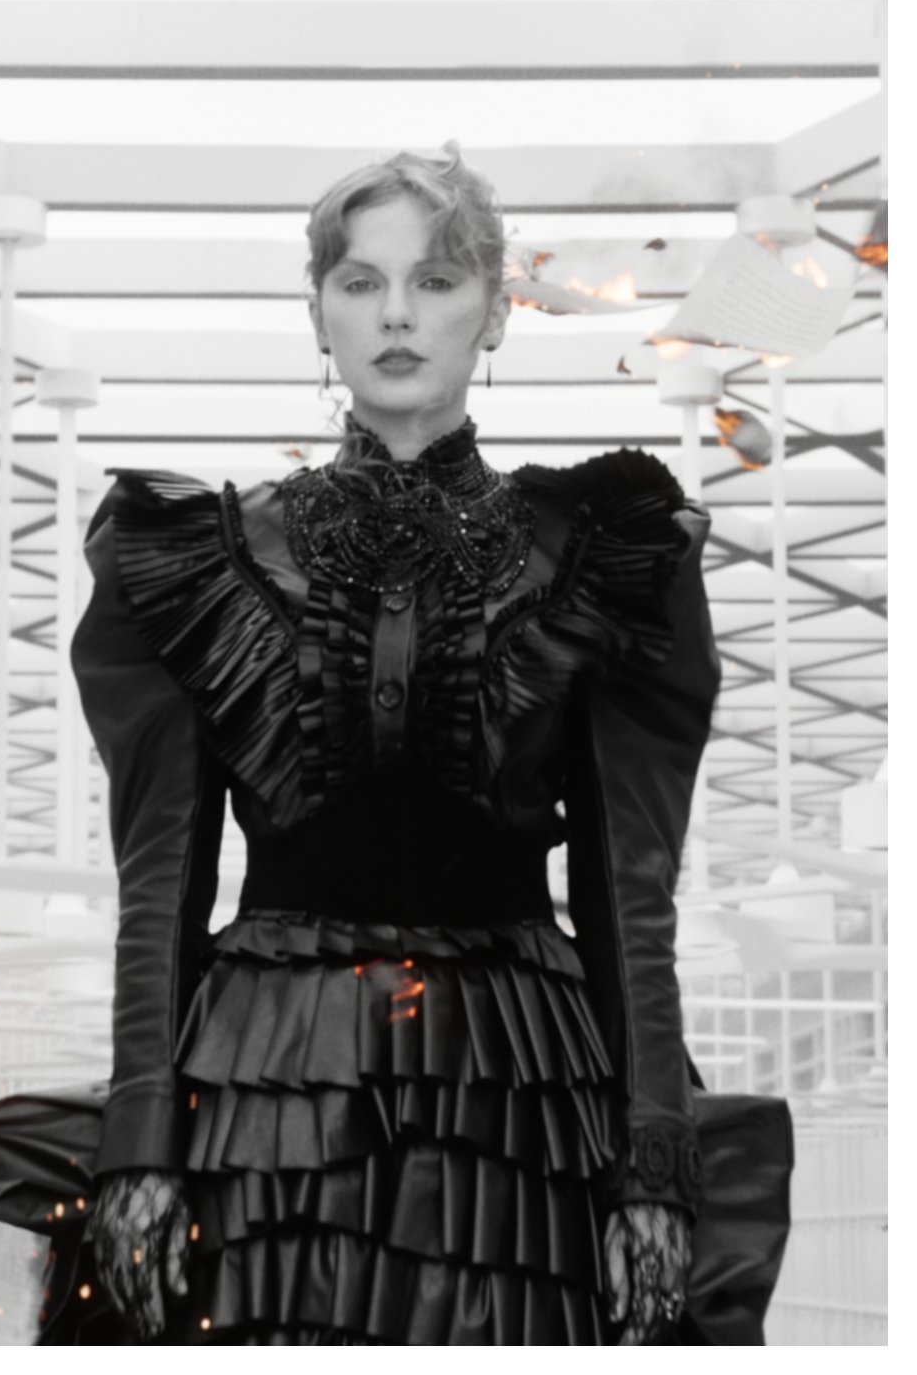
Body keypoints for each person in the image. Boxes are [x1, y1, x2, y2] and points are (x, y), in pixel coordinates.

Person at [71, 144, 716, 1344]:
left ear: (496, 311)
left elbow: (632, 892)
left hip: (517, 1079)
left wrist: (651, 1167)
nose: (398, 315)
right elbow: (157, 878)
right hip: (270, 1076)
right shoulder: (199, 553)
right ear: (317, 314)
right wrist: (138, 1136)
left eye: (434, 281)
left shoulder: (602, 547)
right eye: (360, 284)